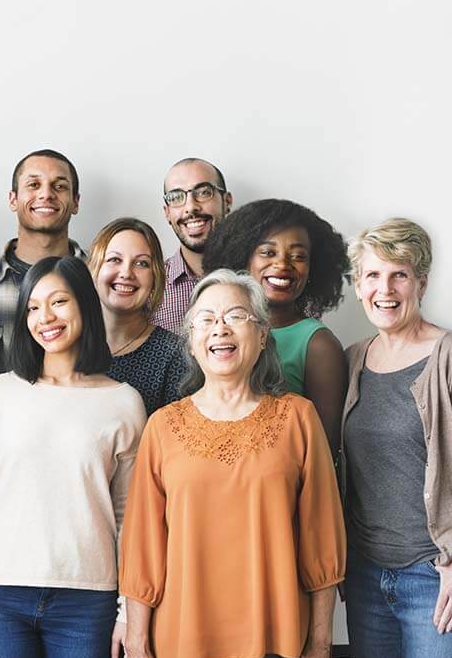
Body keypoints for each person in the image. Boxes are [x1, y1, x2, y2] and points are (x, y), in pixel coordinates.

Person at [119, 269, 345, 658]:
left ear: (261, 335)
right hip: (183, 641)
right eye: (206, 319)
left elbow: (321, 538)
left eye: (235, 316)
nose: (219, 329)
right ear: (191, 341)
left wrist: (321, 647)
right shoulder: (163, 426)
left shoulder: (298, 418)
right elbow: (142, 549)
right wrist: (137, 647)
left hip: (278, 642)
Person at [0, 256, 145, 658]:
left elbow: (129, 516)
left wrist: (128, 612)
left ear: (85, 307)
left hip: (88, 595)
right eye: (34, 307)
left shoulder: (124, 402)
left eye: (59, 302)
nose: (46, 317)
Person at [340, 218, 452, 658]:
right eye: (372, 275)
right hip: (366, 575)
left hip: (434, 577)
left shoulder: (445, 357)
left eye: (399, 274)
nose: (384, 288)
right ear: (357, 285)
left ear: (420, 282)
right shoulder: (353, 360)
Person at [203, 198, 349, 452]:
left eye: (298, 256)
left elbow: (324, 450)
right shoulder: (216, 333)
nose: (283, 264)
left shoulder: (318, 345)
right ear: (243, 258)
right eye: (268, 252)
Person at [0, 149, 87, 372]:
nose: (46, 194)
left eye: (59, 186)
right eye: (33, 185)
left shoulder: (101, 278)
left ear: (76, 201)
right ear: (13, 199)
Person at [87, 218, 187, 415]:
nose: (126, 273)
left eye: (141, 263)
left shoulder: (176, 355)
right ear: (93, 269)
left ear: (155, 277)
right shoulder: (67, 344)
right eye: (114, 259)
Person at [152, 158, 233, 332]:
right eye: (176, 197)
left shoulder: (262, 276)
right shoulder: (151, 288)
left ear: (227, 202)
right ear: (167, 213)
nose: (190, 207)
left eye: (203, 192)